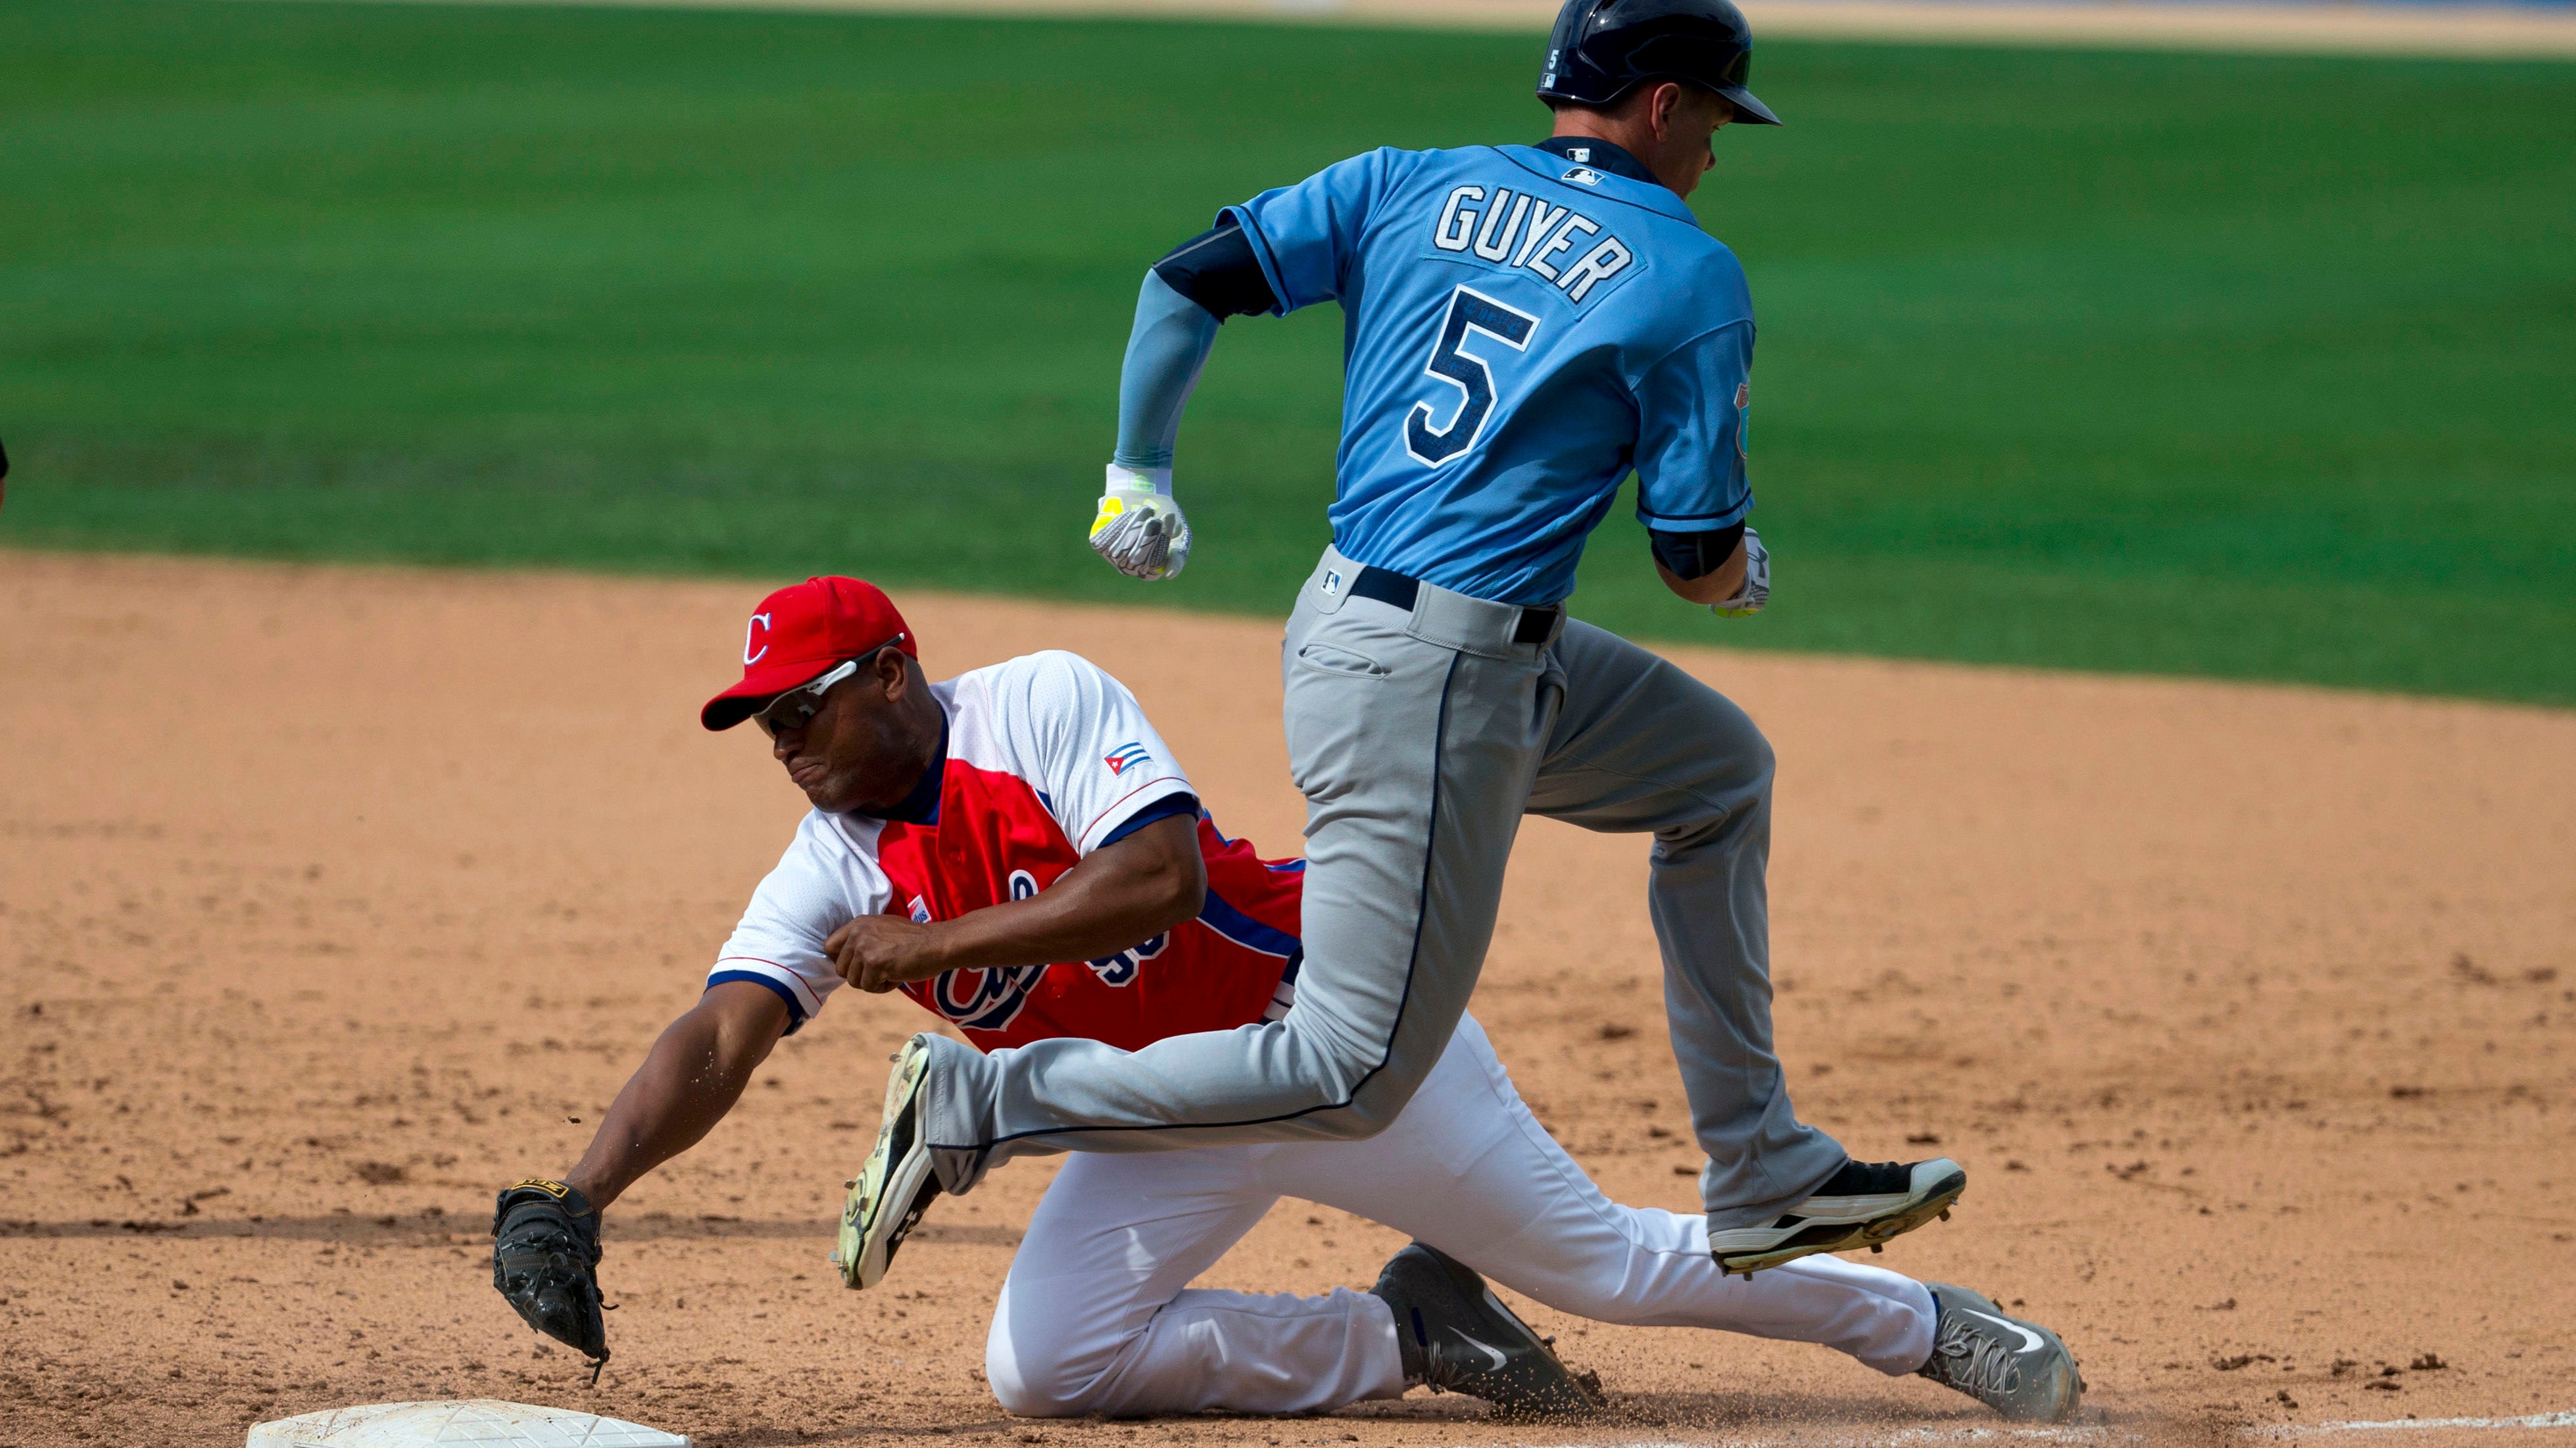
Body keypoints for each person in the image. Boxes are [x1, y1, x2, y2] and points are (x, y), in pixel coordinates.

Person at [841, 0, 1964, 1294]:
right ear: (1661, 102)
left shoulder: (1406, 182)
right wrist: (1742, 577)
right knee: (1350, 1071)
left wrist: (1138, 471)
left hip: (1399, 637)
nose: (1717, 146)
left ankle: (1760, 1170)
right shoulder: (1688, 273)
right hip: (1439, 686)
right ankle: (983, 1107)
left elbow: (1187, 278)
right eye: (1716, 115)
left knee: (1719, 775)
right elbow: (1692, 554)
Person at [489, 576, 2083, 1424]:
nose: (782, 740)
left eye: (803, 708)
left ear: (894, 674)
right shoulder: (826, 859)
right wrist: (581, 1196)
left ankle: (1936, 1330)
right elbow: (721, 1032)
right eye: (763, 721)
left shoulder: (1036, 702)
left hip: (1337, 1040)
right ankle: (1401, 1334)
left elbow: (1164, 882)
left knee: (1609, 1266)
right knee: (1047, 1372)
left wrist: (944, 940)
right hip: (1158, 1124)